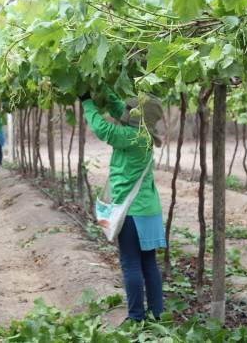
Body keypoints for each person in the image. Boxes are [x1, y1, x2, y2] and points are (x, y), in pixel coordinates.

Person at [80, 88, 165, 323]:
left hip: (132, 213)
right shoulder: (144, 133)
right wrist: (106, 93)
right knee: (148, 263)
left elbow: (103, 130)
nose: (126, 111)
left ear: (137, 117)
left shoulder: (132, 135)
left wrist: (86, 101)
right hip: (148, 211)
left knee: (130, 263)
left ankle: (136, 317)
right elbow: (123, 111)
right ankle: (158, 314)